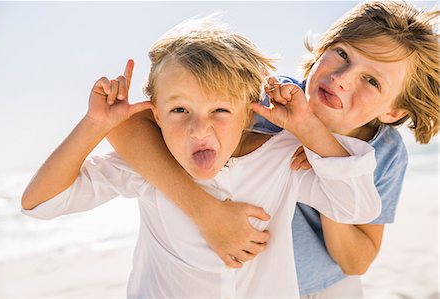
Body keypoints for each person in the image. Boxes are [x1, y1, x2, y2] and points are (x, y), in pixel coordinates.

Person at [21, 19, 382, 297]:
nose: (199, 129)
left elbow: (356, 207)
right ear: (156, 114)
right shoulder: (148, 166)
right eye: (180, 109)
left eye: (220, 110)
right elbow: (40, 203)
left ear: (247, 116)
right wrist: (94, 124)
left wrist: (307, 128)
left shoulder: (279, 158)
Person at [107, 1, 440, 298]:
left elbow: (356, 262)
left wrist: (326, 166)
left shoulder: (384, 151)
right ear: (322, 49)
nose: (343, 78)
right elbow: (125, 126)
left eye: (372, 81)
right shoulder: (266, 100)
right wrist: (205, 212)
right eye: (342, 54)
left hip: (329, 288)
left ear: (393, 111)